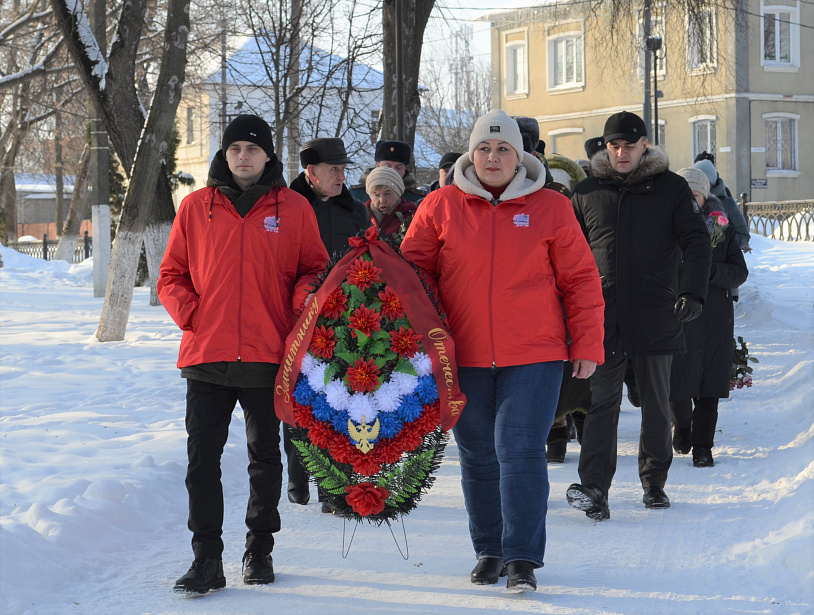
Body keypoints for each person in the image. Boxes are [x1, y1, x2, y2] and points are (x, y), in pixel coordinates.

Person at [401, 109, 605, 591]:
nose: (493, 157)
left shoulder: (552, 207)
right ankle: (488, 549)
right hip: (463, 355)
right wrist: (416, 341)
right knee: (476, 454)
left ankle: (521, 558)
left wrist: (587, 343)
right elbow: (412, 276)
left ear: (521, 157)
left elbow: (579, 279)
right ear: (472, 155)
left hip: (535, 353)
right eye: (485, 149)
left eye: (504, 149)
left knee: (521, 450)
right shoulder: (439, 206)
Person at [158, 115, 329, 593]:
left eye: (252, 149)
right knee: (201, 462)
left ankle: (259, 548)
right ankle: (206, 558)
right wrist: (193, 315)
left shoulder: (293, 208)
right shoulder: (195, 207)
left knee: (263, 456)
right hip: (206, 355)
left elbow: (313, 270)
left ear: (268, 156)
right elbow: (170, 274)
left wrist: (295, 310)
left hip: (266, 353)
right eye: (235, 149)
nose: (243, 156)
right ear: (225, 154)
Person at [568, 111, 712, 520]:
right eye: (613, 146)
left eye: (628, 145)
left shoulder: (670, 189)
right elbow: (567, 256)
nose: (620, 153)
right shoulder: (587, 192)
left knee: (655, 402)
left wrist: (692, 292)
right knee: (601, 404)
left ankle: (654, 482)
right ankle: (595, 488)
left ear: (644, 144)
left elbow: (697, 241)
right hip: (603, 318)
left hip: (656, 314)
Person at [288, 137, 372, 510]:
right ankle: (298, 472)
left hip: (341, 322)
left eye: (343, 169)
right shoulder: (285, 207)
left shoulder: (355, 211)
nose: (342, 176)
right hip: (294, 319)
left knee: (336, 400)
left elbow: (369, 259)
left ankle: (332, 485)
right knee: (298, 401)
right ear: (311, 172)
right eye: (334, 170)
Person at [670, 168, 748, 467]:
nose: (691, 200)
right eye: (686, 195)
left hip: (714, 315)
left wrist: (711, 272)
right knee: (677, 380)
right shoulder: (665, 228)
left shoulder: (722, 228)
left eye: (697, 195)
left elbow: (739, 271)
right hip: (677, 314)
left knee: (708, 384)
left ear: (705, 198)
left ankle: (703, 446)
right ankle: (683, 426)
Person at [350, 140, 427, 203]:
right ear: (378, 165)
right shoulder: (356, 195)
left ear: (404, 169)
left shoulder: (417, 199)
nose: (393, 171)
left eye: (398, 167)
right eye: (387, 166)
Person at [364, 166, 417, 242]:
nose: (382, 200)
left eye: (387, 194)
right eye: (376, 195)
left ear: (398, 193)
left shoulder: (413, 217)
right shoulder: (360, 217)